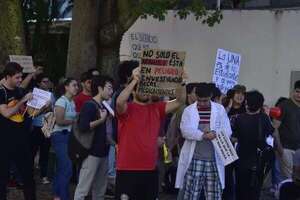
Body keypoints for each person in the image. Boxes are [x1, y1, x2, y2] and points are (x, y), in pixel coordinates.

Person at [115, 67, 186, 200]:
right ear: (134, 90)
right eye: (141, 87)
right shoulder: (127, 108)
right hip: (127, 169)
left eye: (147, 88)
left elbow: (179, 101)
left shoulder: (157, 108)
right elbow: (119, 101)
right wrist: (134, 80)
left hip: (150, 169)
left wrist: (181, 83)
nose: (145, 91)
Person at [175, 82, 232, 200]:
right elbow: (185, 131)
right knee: (191, 195)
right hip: (195, 159)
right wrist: (202, 135)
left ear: (211, 96)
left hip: (214, 161)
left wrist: (215, 133)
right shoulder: (189, 110)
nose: (201, 103)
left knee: (214, 195)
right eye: (199, 100)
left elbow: (228, 130)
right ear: (196, 96)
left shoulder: (219, 109)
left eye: (205, 100)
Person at [0, 62, 36, 200]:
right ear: (8, 77)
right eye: (17, 77)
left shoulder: (20, 91)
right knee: (2, 177)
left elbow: (29, 113)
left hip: (22, 140)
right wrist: (22, 101)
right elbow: (7, 113)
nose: (20, 80)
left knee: (28, 175)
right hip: (4, 141)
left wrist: (44, 107)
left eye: (21, 77)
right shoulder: (1, 92)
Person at [74, 75, 114, 200]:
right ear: (100, 88)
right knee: (83, 189)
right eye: (109, 88)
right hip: (91, 153)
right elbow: (83, 126)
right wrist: (101, 120)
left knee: (100, 189)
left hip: (104, 152)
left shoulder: (104, 106)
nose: (111, 91)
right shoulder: (89, 105)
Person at [232, 90, 274, 200]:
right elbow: (271, 134)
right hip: (258, 161)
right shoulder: (264, 118)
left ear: (247, 104)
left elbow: (234, 137)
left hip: (241, 159)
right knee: (254, 192)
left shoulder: (239, 118)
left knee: (240, 190)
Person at [51, 78, 78, 200]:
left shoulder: (72, 102)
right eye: (74, 85)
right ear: (66, 87)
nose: (76, 87)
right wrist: (74, 121)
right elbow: (59, 120)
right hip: (60, 136)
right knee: (66, 167)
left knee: (63, 167)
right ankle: (63, 196)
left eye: (77, 85)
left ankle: (57, 195)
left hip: (68, 136)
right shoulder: (61, 101)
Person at [273, 80, 300, 182]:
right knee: (287, 180)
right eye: (297, 91)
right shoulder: (284, 105)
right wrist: (279, 148)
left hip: (299, 150)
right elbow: (274, 128)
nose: (299, 94)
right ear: (293, 91)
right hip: (286, 148)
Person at [30, 74, 55, 185]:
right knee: (32, 151)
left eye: (48, 81)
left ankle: (43, 175)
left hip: (47, 126)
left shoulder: (51, 95)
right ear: (39, 83)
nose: (46, 83)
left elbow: (53, 109)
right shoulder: (34, 94)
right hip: (35, 126)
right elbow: (31, 112)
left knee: (45, 151)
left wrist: (49, 107)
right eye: (44, 81)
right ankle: (29, 174)